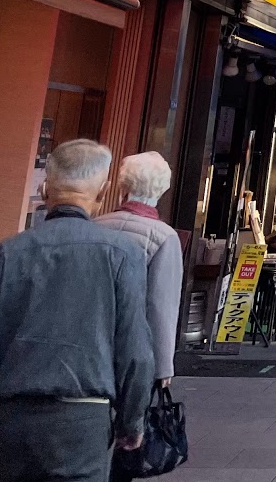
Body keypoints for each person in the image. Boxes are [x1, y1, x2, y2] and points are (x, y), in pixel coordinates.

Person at [0, 140, 151, 482]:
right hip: (82, 424)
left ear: (46, 186)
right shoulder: (123, 254)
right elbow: (135, 352)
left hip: (8, 422)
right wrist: (131, 421)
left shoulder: (2, 255)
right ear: (103, 190)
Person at [96, 151, 183, 385]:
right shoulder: (164, 237)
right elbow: (161, 304)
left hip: (87, 340)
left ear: (122, 185)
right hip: (133, 346)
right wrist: (163, 365)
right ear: (162, 189)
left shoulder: (95, 225)